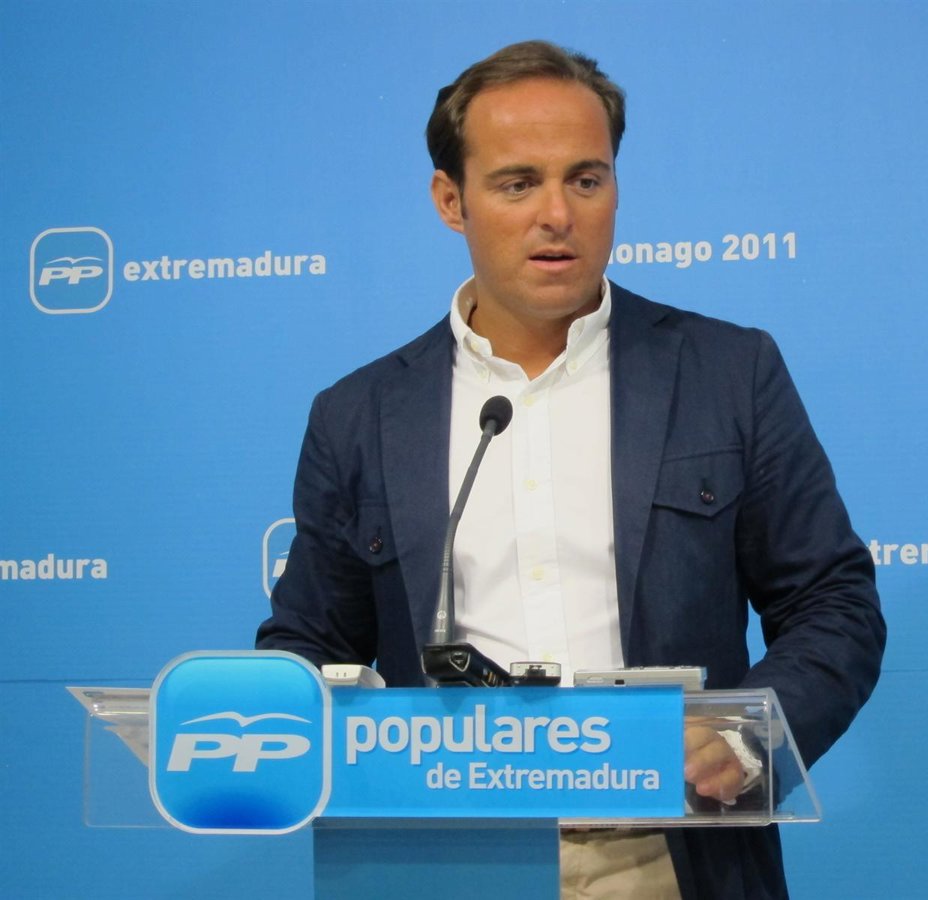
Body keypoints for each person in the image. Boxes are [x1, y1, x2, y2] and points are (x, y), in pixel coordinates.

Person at [257, 39, 885, 900]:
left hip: (672, 856)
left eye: (586, 180)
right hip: (445, 862)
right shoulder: (360, 414)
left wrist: (745, 738)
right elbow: (311, 640)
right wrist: (272, 712)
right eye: (518, 183)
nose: (558, 214)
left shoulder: (727, 374)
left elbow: (832, 603)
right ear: (451, 200)